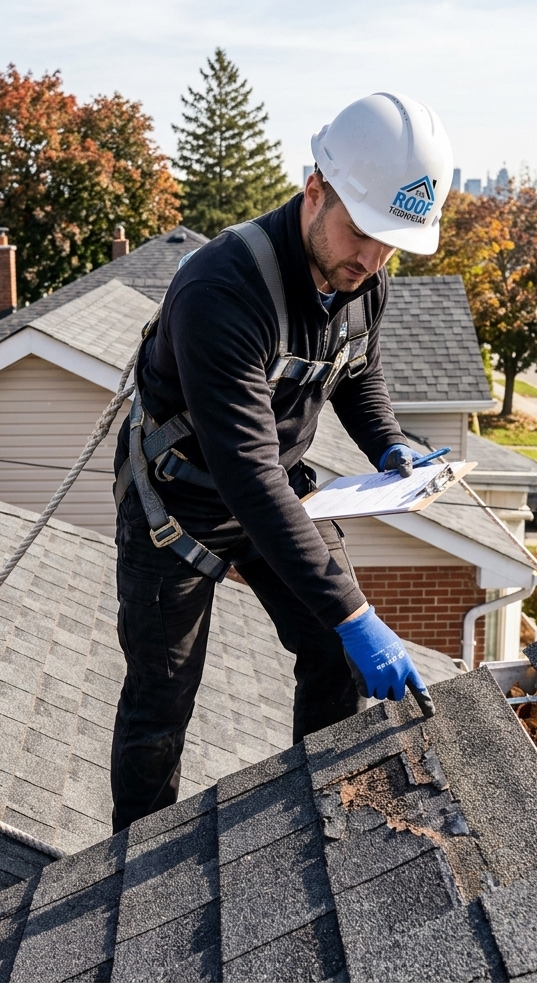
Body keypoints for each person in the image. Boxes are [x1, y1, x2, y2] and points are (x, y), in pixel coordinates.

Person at [110, 92, 454, 832]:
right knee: (160, 701)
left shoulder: (365, 278)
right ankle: (129, 870)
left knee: (334, 657)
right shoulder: (222, 290)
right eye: (362, 233)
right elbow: (249, 474)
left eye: (392, 244)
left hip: (274, 489)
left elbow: (357, 370)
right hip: (182, 503)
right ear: (315, 191)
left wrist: (389, 442)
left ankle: (321, 823)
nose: (372, 259)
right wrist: (358, 614)